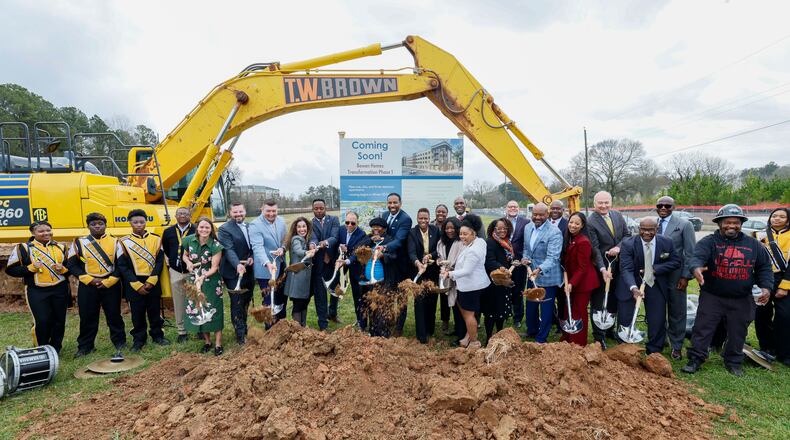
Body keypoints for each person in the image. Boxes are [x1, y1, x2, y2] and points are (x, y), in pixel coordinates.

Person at [682, 204, 773, 377]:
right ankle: (696, 359)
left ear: (741, 223)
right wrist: (696, 269)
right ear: (719, 223)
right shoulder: (709, 242)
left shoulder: (753, 245)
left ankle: (733, 362)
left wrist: (766, 287)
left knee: (738, 331)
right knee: (703, 328)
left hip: (742, 298)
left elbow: (764, 268)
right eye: (727, 222)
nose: (732, 226)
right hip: (712, 295)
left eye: (736, 222)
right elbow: (697, 258)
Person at [618, 218, 680, 355]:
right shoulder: (628, 244)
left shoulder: (666, 242)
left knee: (657, 319)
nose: (646, 233)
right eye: (643, 229)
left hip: (654, 283)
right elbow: (626, 269)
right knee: (626, 316)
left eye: (650, 230)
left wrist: (656, 269)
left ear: (657, 229)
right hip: (632, 282)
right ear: (639, 229)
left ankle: (654, 350)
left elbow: (676, 261)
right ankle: (625, 348)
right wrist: (633, 288)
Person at [66, 213, 126, 357]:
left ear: (106, 225)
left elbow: (121, 265)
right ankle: (85, 346)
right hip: (88, 285)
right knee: (87, 316)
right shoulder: (78, 243)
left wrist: (110, 281)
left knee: (114, 315)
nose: (97, 226)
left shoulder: (116, 242)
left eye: (100, 223)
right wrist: (88, 279)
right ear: (88, 226)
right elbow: (72, 265)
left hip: (111, 285)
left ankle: (120, 342)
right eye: (94, 224)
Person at [6, 221, 70, 353]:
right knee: (42, 320)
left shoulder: (61, 247)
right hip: (37, 290)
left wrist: (63, 269)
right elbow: (11, 270)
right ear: (33, 233)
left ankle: (56, 348)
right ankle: (42, 348)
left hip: (60, 288)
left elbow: (71, 268)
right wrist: (30, 268)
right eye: (41, 231)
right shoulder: (23, 248)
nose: (46, 233)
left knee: (59, 320)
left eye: (48, 230)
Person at [117, 209, 169, 352]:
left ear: (146, 222)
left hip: (153, 280)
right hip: (134, 283)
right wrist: (136, 284)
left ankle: (157, 335)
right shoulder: (123, 242)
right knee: (137, 313)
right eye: (135, 222)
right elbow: (122, 265)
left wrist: (152, 279)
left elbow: (160, 261)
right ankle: (139, 339)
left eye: (141, 222)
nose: (139, 224)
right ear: (130, 223)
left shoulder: (156, 239)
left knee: (154, 311)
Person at [586, 191, 631, 349]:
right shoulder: (590, 222)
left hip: (619, 266)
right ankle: (599, 336)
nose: (604, 206)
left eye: (606, 202)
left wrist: (618, 247)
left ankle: (609, 328)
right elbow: (595, 248)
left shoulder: (617, 215)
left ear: (611, 203)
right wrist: (603, 269)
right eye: (600, 203)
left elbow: (627, 235)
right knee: (599, 301)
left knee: (613, 299)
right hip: (601, 268)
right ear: (594, 204)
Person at [655, 196, 696, 360]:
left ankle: (677, 345)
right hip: (657, 275)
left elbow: (690, 252)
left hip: (676, 275)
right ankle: (660, 340)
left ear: (673, 207)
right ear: (656, 207)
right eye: (660, 205)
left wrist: (686, 276)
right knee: (657, 310)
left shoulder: (684, 225)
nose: (664, 208)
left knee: (677, 311)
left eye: (668, 206)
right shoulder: (653, 224)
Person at [441, 214, 489, 349]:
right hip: (477, 284)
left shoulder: (473, 250)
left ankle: (474, 342)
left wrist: (449, 274)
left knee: (468, 316)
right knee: (469, 314)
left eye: (465, 234)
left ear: (473, 233)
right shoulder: (479, 241)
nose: (462, 237)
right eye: (460, 234)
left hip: (470, 287)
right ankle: (468, 337)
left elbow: (467, 270)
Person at [181, 217, 224, 355]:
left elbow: (214, 267)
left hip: (210, 281)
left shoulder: (215, 245)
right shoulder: (189, 240)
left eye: (207, 227)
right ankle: (207, 342)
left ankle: (218, 344)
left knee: (213, 309)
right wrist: (188, 262)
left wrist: (203, 276)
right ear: (197, 228)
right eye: (201, 227)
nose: (204, 230)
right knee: (199, 308)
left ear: (211, 229)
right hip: (194, 279)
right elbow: (184, 255)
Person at [521, 203, 562, 343]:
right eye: (535, 214)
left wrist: (539, 269)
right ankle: (532, 330)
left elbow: (553, 257)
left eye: (541, 215)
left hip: (547, 276)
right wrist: (525, 258)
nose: (537, 217)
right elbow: (526, 248)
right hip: (531, 274)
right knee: (531, 304)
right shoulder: (527, 227)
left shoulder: (554, 232)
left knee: (546, 309)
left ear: (547, 214)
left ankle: (541, 338)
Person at [754, 207, 790, 366]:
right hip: (764, 278)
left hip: (786, 278)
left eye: (782, 216)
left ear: (788, 220)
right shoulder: (758, 235)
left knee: (785, 316)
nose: (777, 219)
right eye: (774, 216)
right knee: (762, 313)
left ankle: (784, 351)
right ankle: (767, 347)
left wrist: (785, 286)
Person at [218, 202, 255, 344]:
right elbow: (229, 249)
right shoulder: (224, 229)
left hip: (249, 271)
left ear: (245, 211)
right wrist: (238, 264)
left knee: (246, 299)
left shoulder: (250, 226)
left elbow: (253, 246)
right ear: (230, 213)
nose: (238, 214)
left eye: (240, 211)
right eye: (235, 212)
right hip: (233, 272)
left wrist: (252, 257)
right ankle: (240, 334)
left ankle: (244, 326)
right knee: (237, 302)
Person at [560, 212, 599, 346]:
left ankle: (578, 343)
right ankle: (567, 338)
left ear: (582, 226)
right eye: (571, 222)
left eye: (577, 223)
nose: (573, 225)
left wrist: (571, 283)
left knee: (578, 311)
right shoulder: (569, 238)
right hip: (572, 280)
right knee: (568, 309)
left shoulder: (584, 242)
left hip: (583, 283)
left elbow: (582, 267)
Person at [161, 207, 196, 343]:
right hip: (176, 270)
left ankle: (198, 328)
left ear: (190, 216)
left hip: (193, 270)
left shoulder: (196, 229)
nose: (183, 215)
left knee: (195, 299)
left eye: (186, 213)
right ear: (175, 216)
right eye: (180, 213)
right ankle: (182, 331)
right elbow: (166, 249)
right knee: (179, 301)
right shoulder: (168, 231)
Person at [250, 200, 287, 324]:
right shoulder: (255, 225)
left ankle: (282, 326)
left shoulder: (281, 221)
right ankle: (270, 329)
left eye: (274, 211)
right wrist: (267, 263)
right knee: (268, 300)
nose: (271, 214)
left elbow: (285, 239)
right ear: (262, 209)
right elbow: (257, 247)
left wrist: (282, 248)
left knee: (281, 298)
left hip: (281, 265)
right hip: (266, 269)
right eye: (268, 211)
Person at [381, 192, 412, 336]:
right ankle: (388, 321)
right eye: (390, 203)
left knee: (400, 296)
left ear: (400, 203)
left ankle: (399, 328)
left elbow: (399, 241)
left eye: (395, 203)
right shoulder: (384, 216)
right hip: (387, 263)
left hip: (400, 265)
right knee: (387, 292)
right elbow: (382, 235)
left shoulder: (405, 219)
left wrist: (384, 247)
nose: (392, 206)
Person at [407, 208, 440, 343]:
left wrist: (431, 255)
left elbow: (439, 248)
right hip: (418, 272)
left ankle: (430, 329)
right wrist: (417, 263)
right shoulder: (412, 232)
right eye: (421, 218)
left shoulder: (435, 230)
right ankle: (421, 335)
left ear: (429, 218)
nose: (423, 221)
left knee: (432, 300)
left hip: (433, 271)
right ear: (417, 218)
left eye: (425, 218)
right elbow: (411, 251)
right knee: (420, 302)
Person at [360, 217, 396, 337]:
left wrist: (383, 255)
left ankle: (383, 335)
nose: (375, 229)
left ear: (384, 229)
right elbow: (358, 248)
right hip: (369, 282)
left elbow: (395, 256)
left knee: (383, 308)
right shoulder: (368, 239)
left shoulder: (389, 240)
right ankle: (373, 332)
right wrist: (370, 239)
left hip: (384, 281)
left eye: (378, 227)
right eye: (373, 227)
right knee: (372, 307)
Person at [309, 198, 341, 329]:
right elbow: (313, 238)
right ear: (313, 209)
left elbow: (334, 236)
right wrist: (313, 244)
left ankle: (332, 313)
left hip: (333, 262)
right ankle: (323, 324)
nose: (319, 211)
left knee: (336, 290)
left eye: (321, 208)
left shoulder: (333, 220)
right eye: (316, 208)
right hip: (319, 265)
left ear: (325, 208)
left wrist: (325, 242)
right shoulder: (310, 223)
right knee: (320, 295)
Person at [483, 218, 514, 342]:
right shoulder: (490, 242)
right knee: (491, 311)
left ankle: (499, 334)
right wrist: (500, 267)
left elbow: (508, 259)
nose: (502, 230)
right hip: (493, 281)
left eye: (505, 228)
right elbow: (489, 261)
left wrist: (513, 263)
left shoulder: (507, 242)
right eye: (499, 228)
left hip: (504, 280)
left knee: (501, 310)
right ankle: (489, 337)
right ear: (493, 229)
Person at [336, 211, 368, 329]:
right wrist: (340, 246)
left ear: (357, 223)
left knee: (361, 297)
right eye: (347, 222)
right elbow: (336, 242)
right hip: (346, 268)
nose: (349, 225)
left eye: (352, 223)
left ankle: (363, 324)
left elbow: (357, 253)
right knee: (355, 297)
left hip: (359, 271)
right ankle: (359, 320)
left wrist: (347, 261)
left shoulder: (362, 235)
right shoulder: (341, 230)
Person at [284, 217, 317, 327]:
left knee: (304, 302)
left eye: (304, 226)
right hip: (297, 277)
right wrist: (308, 252)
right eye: (299, 227)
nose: (302, 229)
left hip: (304, 278)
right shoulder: (296, 239)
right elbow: (298, 251)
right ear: (295, 228)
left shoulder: (306, 239)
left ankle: (302, 327)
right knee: (298, 304)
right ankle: (296, 328)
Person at [437, 217, 464, 340]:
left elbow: (462, 261)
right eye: (447, 228)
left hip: (458, 277)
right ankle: (457, 329)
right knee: (452, 304)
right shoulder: (441, 242)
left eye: (452, 228)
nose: (449, 230)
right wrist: (439, 261)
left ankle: (461, 333)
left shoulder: (461, 243)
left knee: (459, 305)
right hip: (446, 276)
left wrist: (450, 268)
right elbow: (439, 256)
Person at [505, 200, 530, 329]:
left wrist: (524, 258)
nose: (512, 208)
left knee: (519, 290)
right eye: (510, 206)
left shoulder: (525, 222)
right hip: (504, 262)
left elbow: (528, 241)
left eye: (515, 206)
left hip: (520, 262)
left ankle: (518, 317)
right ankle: (505, 313)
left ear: (519, 208)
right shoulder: (501, 222)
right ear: (506, 208)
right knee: (504, 288)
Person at [434, 203, 452, 332]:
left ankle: (445, 321)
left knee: (445, 293)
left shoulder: (449, 226)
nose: (441, 214)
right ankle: (431, 318)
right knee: (433, 291)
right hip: (432, 264)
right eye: (438, 212)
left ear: (447, 213)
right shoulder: (431, 225)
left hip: (446, 265)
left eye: (443, 212)